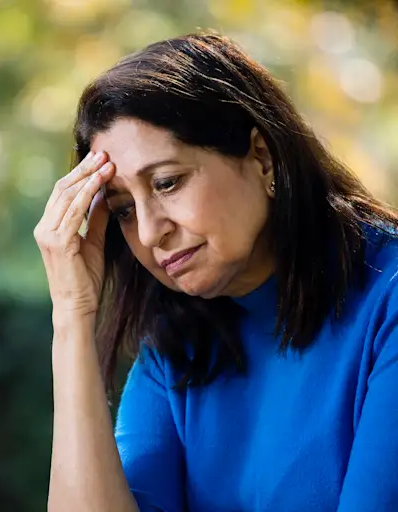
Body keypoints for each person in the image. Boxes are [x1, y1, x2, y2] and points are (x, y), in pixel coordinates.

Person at [34, 32, 398, 512]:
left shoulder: (385, 301)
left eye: (167, 183)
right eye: (122, 209)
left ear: (261, 155)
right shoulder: (176, 349)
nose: (148, 232)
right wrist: (72, 318)